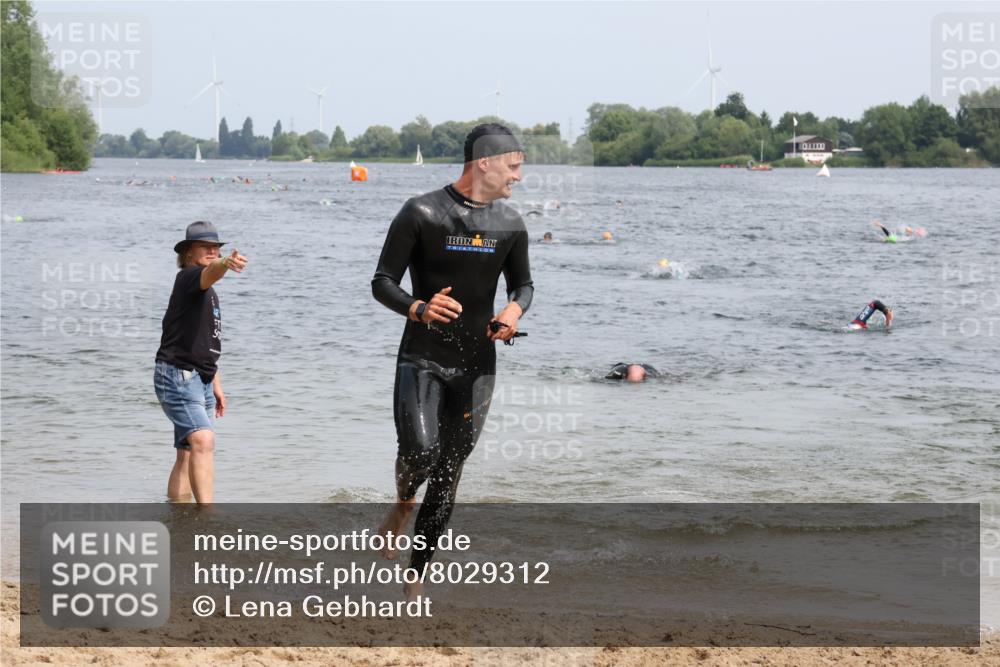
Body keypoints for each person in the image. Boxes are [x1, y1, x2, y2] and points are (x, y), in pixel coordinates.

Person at [371, 123, 533, 596]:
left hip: (477, 364)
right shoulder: (421, 212)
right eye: (513, 166)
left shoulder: (510, 223)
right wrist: (419, 308)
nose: (518, 176)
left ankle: (415, 579)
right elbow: (382, 282)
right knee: (420, 453)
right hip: (423, 356)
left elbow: (523, 285)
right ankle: (403, 501)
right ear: (484, 162)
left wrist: (513, 311)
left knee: (448, 473)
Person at [154, 221, 248, 504]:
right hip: (178, 375)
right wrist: (224, 262)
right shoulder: (189, 278)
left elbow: (204, 342)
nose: (212, 251)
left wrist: (215, 382)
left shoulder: (208, 293)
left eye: (215, 247)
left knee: (187, 452)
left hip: (201, 378)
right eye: (205, 247)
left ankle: (179, 514)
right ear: (188, 253)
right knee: (203, 441)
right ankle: (206, 518)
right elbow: (211, 272)